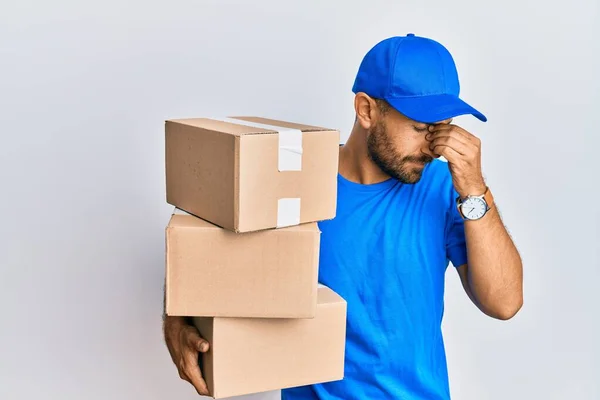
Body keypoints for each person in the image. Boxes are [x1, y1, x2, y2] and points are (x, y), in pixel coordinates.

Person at [163, 33, 523, 400]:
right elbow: (208, 257)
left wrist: (476, 190)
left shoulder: (449, 190)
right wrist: (177, 321)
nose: (434, 146)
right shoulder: (295, 185)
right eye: (419, 128)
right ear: (366, 109)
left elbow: (504, 303)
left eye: (442, 128)